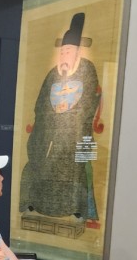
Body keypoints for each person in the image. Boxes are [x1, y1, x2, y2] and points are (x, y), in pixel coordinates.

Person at [18, 12, 100, 222]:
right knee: (36, 162)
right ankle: (36, 203)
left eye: (68, 52)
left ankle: (76, 209)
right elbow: (40, 104)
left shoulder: (87, 69)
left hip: (75, 135)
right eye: (62, 52)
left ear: (77, 52)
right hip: (49, 132)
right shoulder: (52, 74)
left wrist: (68, 113)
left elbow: (89, 103)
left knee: (74, 169)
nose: (64, 56)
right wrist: (53, 116)